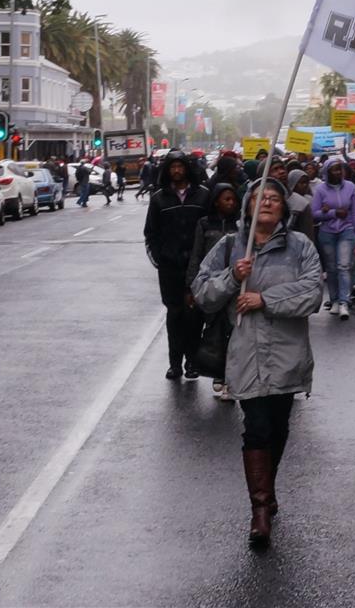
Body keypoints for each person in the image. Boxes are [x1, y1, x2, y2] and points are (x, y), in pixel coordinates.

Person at [192, 178, 322, 550]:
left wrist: (265, 299)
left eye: (274, 198)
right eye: (259, 198)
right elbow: (203, 294)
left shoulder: (300, 247)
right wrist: (233, 277)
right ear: (248, 206)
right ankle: (260, 510)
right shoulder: (230, 247)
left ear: (283, 208)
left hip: (287, 353)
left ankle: (267, 486)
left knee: (278, 427)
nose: (266, 203)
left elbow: (312, 294)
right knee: (257, 428)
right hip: (245, 353)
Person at [143, 151, 211, 380]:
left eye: (180, 166)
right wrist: (159, 258)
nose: (177, 170)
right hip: (170, 268)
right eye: (173, 166)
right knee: (174, 316)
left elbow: (210, 230)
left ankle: (193, 361)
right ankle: (175, 363)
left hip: (198, 267)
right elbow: (150, 233)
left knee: (194, 317)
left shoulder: (202, 196)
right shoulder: (159, 199)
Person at [188, 182, 242, 400]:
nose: (230, 203)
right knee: (214, 332)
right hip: (212, 286)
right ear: (216, 201)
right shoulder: (204, 224)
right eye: (225, 199)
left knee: (233, 333)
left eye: (233, 199)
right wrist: (191, 285)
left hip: (234, 286)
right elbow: (196, 255)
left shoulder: (240, 226)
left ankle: (230, 380)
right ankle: (217, 372)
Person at [311, 156, 355, 319]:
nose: (338, 172)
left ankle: (344, 302)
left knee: (343, 266)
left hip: (347, 231)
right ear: (327, 172)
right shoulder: (320, 190)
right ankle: (334, 300)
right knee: (332, 268)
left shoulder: (350, 187)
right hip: (327, 232)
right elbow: (315, 214)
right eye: (334, 169)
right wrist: (332, 213)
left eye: (340, 168)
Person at [284, 169, 316, 240]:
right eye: (301, 183)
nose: (305, 185)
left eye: (307, 183)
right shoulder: (286, 200)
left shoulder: (310, 198)